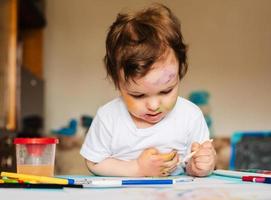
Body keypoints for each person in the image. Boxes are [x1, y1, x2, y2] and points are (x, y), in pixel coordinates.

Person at [80, 3, 216, 177]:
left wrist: (201, 165)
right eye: (138, 95)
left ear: (180, 74)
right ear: (118, 84)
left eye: (166, 91)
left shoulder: (190, 116)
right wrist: (137, 169)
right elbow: (94, 162)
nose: (153, 105)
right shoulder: (108, 117)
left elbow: (195, 161)